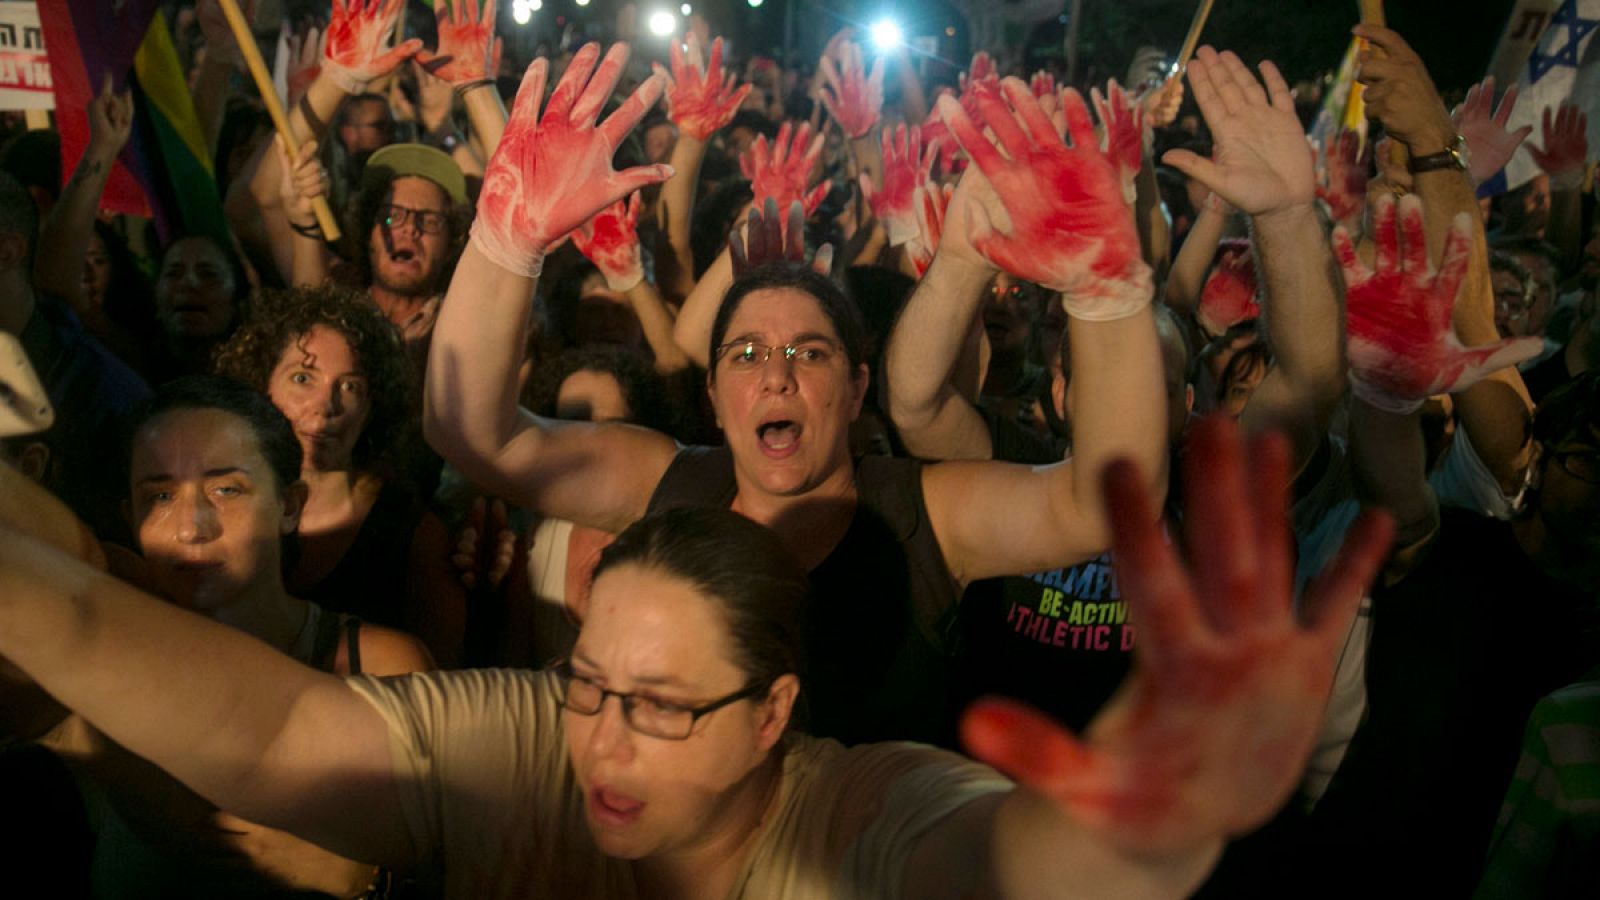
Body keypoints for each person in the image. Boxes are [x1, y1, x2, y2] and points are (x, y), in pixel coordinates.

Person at [0, 409, 1394, 899]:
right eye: (592, 683)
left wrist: (1154, 818)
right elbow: (276, 739)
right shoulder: (534, 746)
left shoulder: (859, 815)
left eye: (661, 708)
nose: (599, 740)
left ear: (773, 712)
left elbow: (1016, 868)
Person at [426, 43, 1168, 746]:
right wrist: (504, 241)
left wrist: (1106, 294)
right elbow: (475, 437)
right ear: (713, 395)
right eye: (746, 354)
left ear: (855, 389)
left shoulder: (923, 514)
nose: (776, 375)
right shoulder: (669, 482)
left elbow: (1104, 504)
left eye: (808, 353)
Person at [2, 375, 432, 897]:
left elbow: (457, 859)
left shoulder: (377, 663)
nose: (192, 527)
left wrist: (372, 878)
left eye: (227, 489)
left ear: (291, 505)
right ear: (129, 519)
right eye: (159, 496)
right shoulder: (101, 650)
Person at [213, 285, 462, 645]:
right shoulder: (220, 503)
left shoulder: (414, 534)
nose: (325, 405)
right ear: (262, 384)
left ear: (372, 407)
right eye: (302, 378)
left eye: (349, 387)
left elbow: (442, 686)